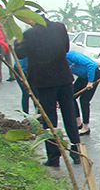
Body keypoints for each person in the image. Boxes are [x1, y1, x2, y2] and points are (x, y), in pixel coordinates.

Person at [14, 14, 81, 168]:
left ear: (31, 19)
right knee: (69, 115)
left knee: (49, 120)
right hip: (64, 78)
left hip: (44, 81)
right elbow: (65, 49)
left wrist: (16, 38)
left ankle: (53, 157)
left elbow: (20, 53)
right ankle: (76, 151)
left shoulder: (30, 34)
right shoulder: (59, 27)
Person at [66, 50, 100, 136]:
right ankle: (78, 123)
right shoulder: (61, 62)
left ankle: (86, 127)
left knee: (84, 100)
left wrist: (90, 82)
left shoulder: (71, 55)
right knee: (71, 96)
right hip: (83, 77)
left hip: (93, 75)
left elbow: (92, 65)